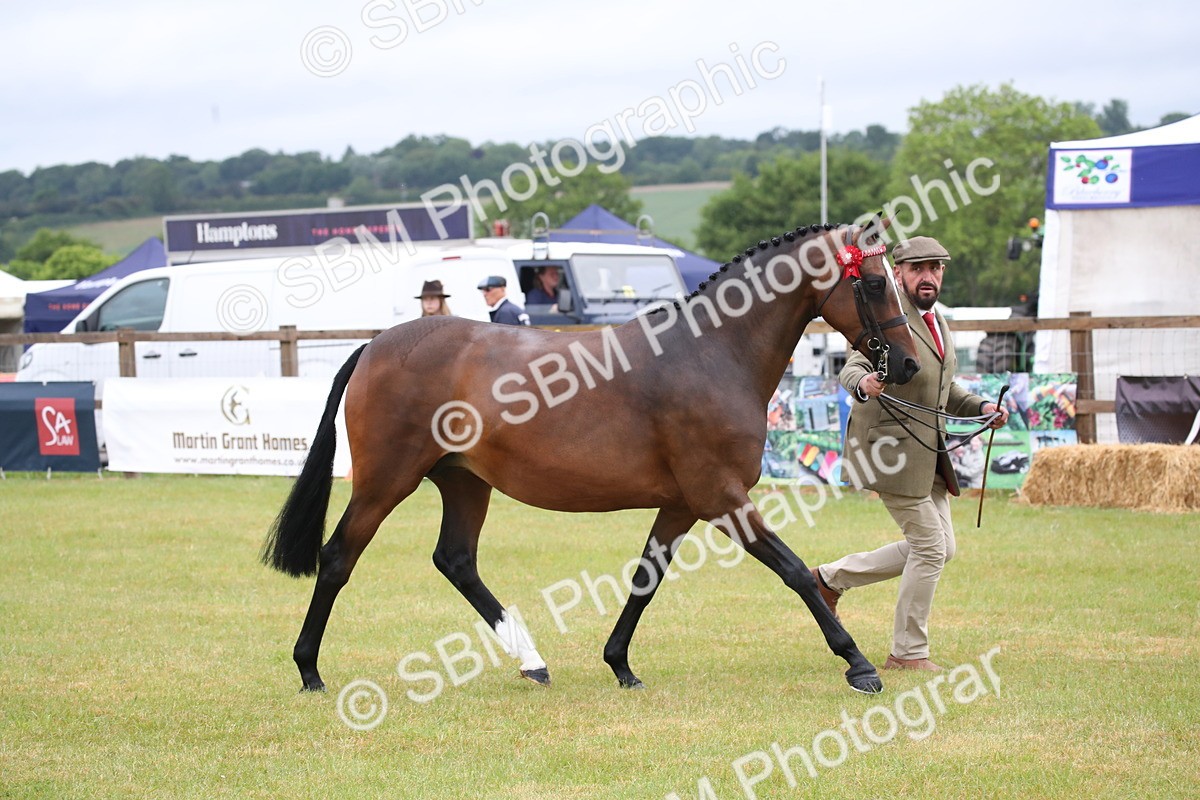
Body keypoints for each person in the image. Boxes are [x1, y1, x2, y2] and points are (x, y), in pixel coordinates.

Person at [812, 236, 1009, 672]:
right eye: (918, 268)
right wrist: (862, 385)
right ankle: (908, 652)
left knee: (943, 548)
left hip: (928, 453)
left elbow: (944, 388)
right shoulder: (886, 317)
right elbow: (854, 366)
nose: (928, 276)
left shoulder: (938, 321)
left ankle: (829, 579)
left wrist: (981, 408)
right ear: (897, 273)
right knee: (930, 548)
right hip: (889, 452)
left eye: (936, 268)